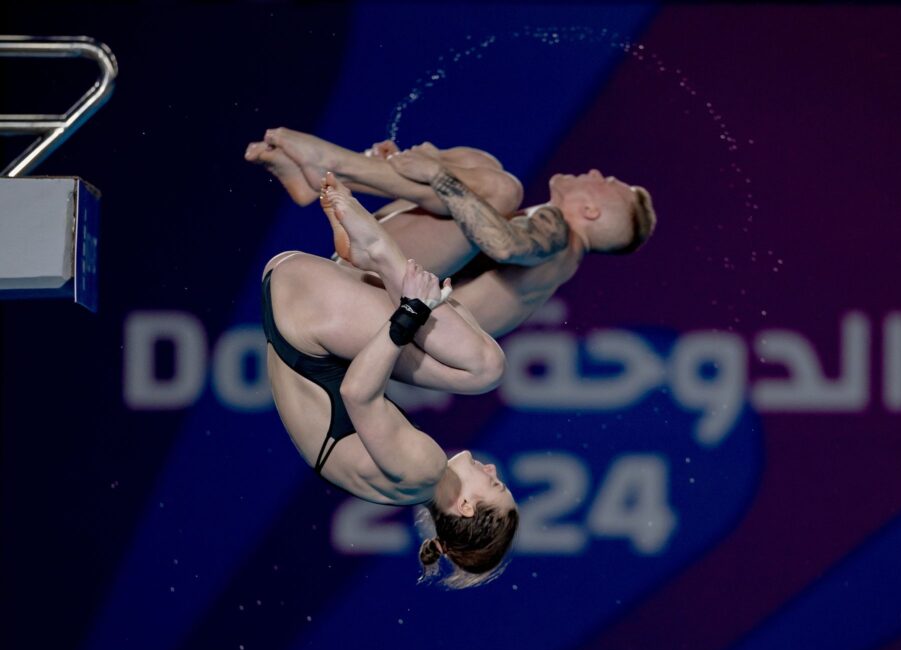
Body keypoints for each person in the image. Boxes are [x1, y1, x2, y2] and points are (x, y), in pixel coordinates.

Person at [262, 174, 516, 588]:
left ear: (467, 506)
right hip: (295, 309)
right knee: (472, 361)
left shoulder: (424, 471)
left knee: (485, 367)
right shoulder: (406, 487)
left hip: (303, 310)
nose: (491, 468)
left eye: (496, 484)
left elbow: (357, 393)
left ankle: (378, 252)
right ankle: (370, 259)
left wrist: (411, 311)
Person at [246, 128, 656, 337]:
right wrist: (429, 174)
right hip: (380, 307)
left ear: (591, 210)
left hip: (373, 316)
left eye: (609, 182)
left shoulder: (558, 235)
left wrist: (436, 175)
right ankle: (327, 176)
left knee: (498, 189)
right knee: (478, 167)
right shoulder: (558, 253)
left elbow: (500, 243)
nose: (598, 172)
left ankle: (333, 167)